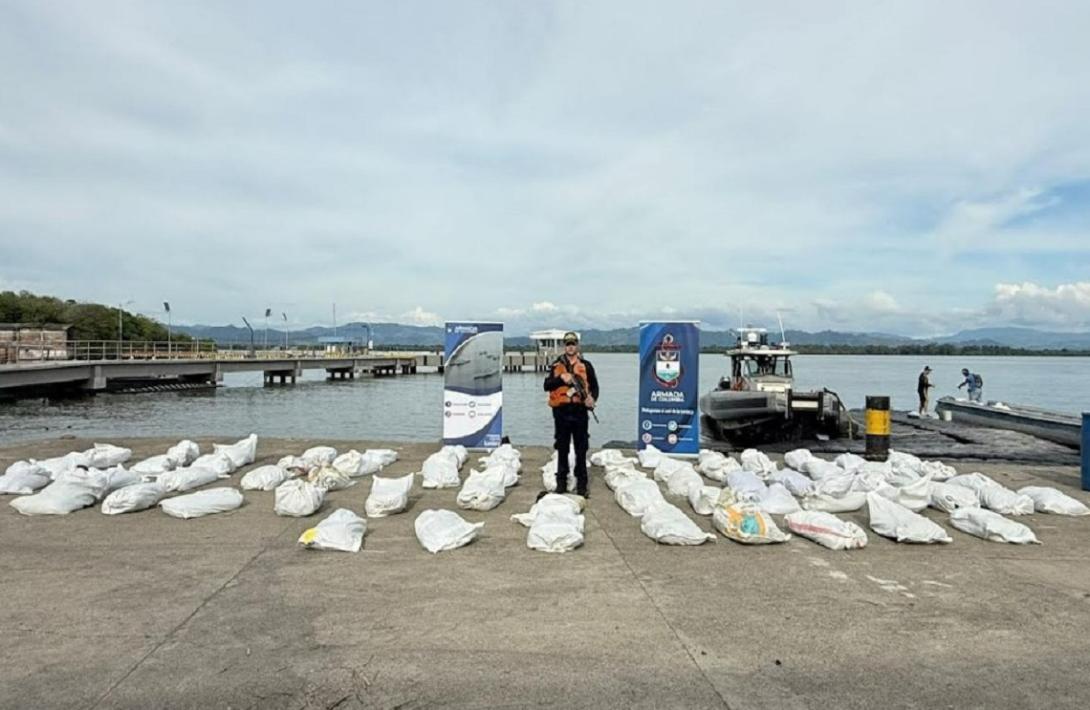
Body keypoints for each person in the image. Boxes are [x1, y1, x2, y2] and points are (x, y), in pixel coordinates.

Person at [543, 331, 599, 498]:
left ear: (577, 346)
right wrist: (561, 378)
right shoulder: (555, 365)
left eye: (573, 344)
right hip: (561, 413)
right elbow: (547, 385)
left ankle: (582, 485)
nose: (570, 347)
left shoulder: (587, 365)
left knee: (581, 449)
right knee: (562, 448)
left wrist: (592, 398)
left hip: (580, 412)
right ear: (564, 346)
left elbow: (595, 387)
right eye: (567, 344)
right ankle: (561, 483)